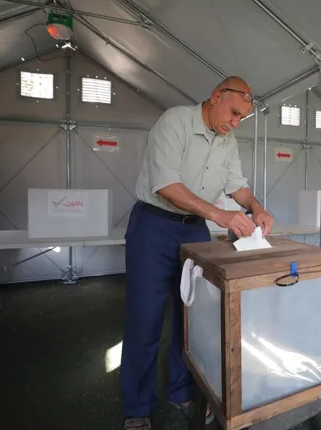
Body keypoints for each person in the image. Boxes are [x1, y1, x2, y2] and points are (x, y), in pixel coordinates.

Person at [121, 77, 273, 429]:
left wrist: (257, 208)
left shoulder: (227, 140)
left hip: (193, 230)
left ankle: (183, 391)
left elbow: (237, 186)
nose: (235, 123)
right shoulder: (175, 121)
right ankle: (137, 408)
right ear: (216, 96)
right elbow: (166, 185)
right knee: (145, 320)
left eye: (241, 118)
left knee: (190, 319)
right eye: (233, 113)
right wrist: (220, 215)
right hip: (154, 225)